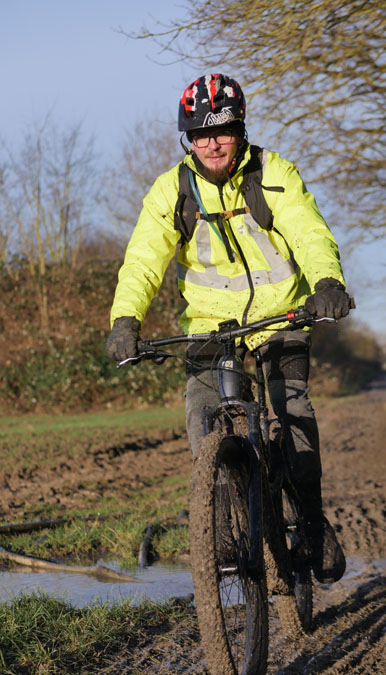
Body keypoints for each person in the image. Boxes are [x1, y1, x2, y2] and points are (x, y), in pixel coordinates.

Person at [106, 73, 351, 584]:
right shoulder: (172, 191)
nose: (212, 143)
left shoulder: (272, 172)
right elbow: (143, 261)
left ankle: (310, 520)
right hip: (209, 324)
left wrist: (327, 282)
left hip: (281, 316)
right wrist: (125, 320)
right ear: (188, 139)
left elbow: (309, 232)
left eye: (222, 131)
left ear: (240, 130)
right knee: (202, 415)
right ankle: (217, 513)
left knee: (292, 408)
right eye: (200, 134)